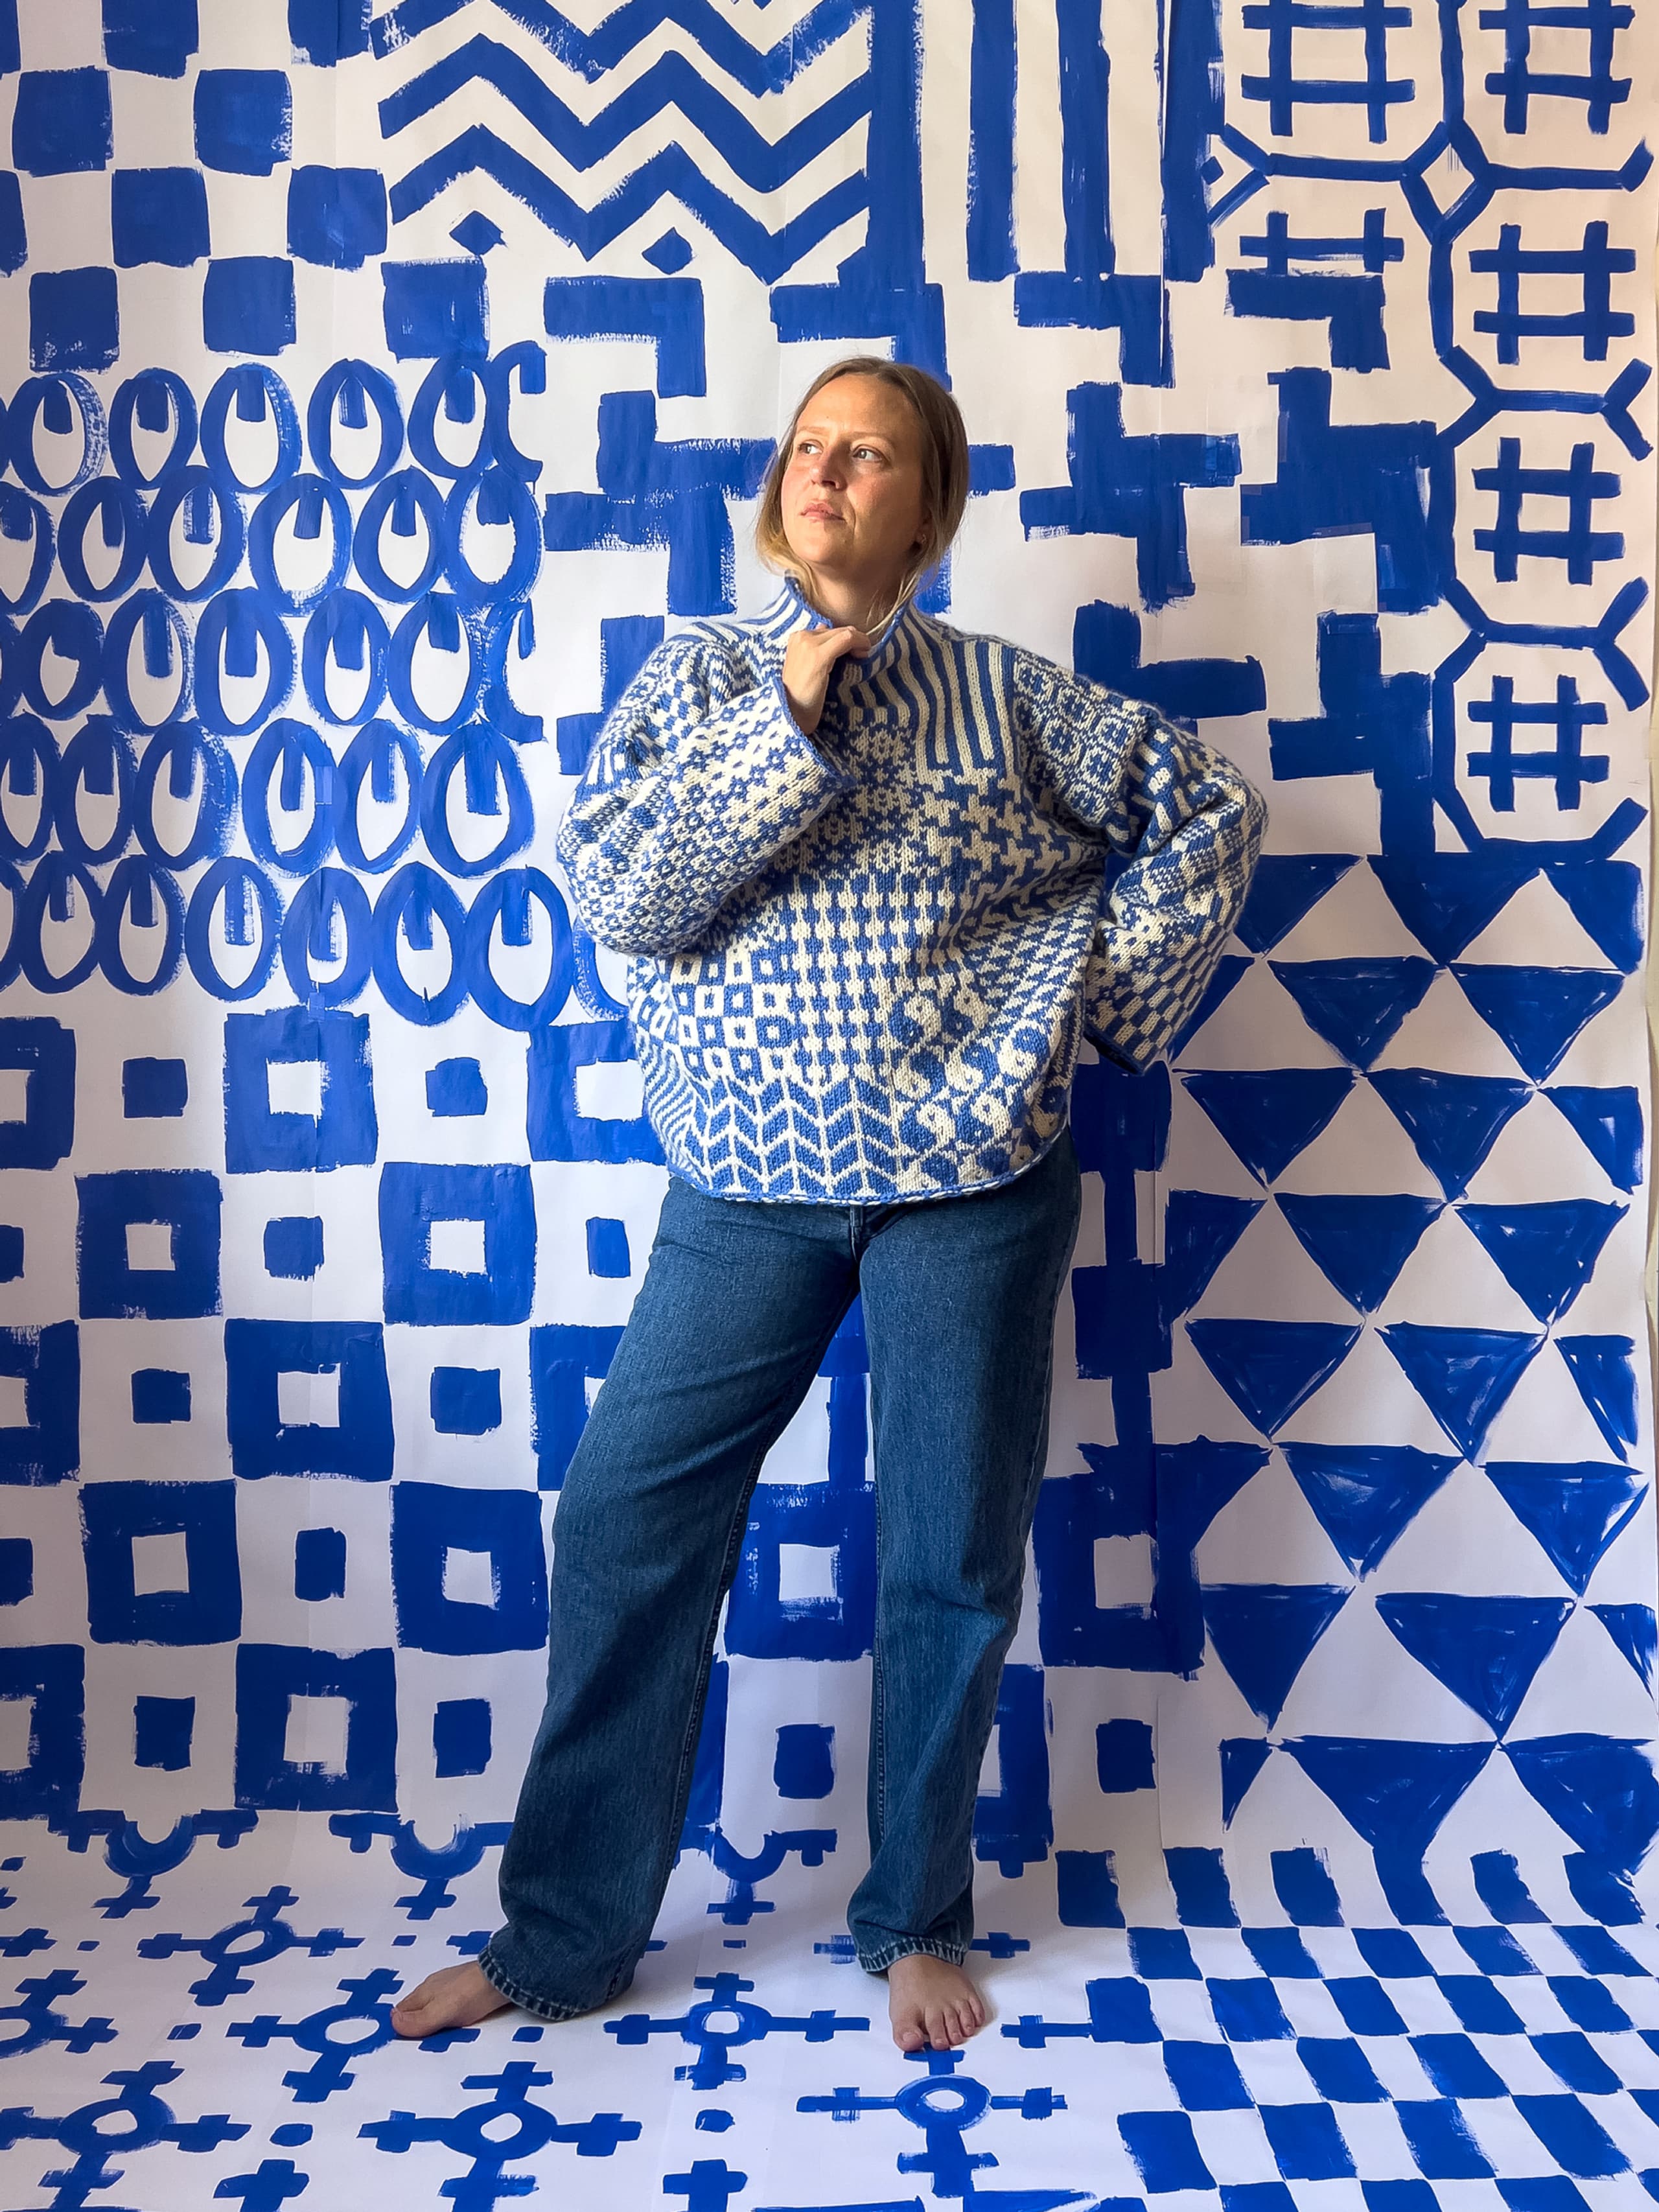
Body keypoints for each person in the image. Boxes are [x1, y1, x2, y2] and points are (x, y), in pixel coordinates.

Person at [391, 357, 1266, 2055]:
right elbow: (628, 898)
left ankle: (916, 1916)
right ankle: (563, 1933)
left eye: (869, 453)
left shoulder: (1008, 697)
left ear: (927, 508)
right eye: (809, 446)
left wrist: (1084, 1000)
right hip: (744, 1186)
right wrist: (783, 713)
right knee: (626, 1519)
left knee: (950, 1554)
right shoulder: (697, 680)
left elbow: (1208, 812)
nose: (827, 471)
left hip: (972, 1181)